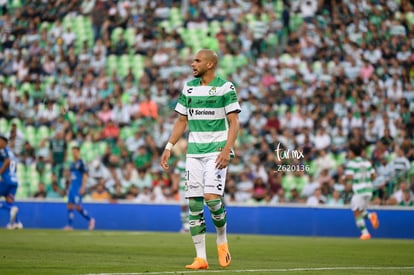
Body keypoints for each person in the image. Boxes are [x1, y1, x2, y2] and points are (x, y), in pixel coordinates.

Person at [160, 49, 241, 270]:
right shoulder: (189, 87)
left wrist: (227, 149)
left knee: (212, 199)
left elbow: (234, 122)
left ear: (210, 65)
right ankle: (201, 258)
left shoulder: (225, 87)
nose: (192, 64)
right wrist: (169, 146)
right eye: (193, 60)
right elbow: (181, 120)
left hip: (216, 149)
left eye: (198, 60)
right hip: (194, 152)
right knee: (194, 203)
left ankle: (222, 239)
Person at [344, 142, 379, 240]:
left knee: (356, 211)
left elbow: (349, 176)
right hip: (368, 189)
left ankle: (365, 233)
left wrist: (344, 178)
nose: (348, 154)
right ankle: (371, 216)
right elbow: (374, 176)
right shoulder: (367, 162)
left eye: (349, 152)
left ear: (353, 153)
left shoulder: (352, 163)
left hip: (359, 190)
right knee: (361, 211)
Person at [64, 145, 95, 230]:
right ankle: (69, 225)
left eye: (75, 152)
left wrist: (83, 187)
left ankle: (90, 219)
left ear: (78, 152)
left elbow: (85, 175)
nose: (74, 153)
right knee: (69, 205)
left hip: (78, 187)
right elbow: (71, 176)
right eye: (72, 152)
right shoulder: (72, 164)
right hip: (72, 187)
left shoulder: (81, 163)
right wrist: (69, 187)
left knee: (78, 207)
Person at [0, 134, 23, 229]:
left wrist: (0, 172)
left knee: (10, 205)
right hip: (14, 181)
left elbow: (7, 161)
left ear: (4, 142)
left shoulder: (3, 150)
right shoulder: (11, 152)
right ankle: (16, 223)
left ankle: (9, 209)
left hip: (6, 180)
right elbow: (15, 165)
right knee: (9, 201)